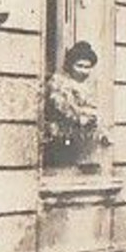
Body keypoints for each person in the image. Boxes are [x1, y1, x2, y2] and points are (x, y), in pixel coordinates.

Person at [44, 40, 106, 169]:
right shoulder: (60, 84)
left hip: (84, 142)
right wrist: (82, 115)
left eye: (87, 67)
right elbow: (65, 109)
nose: (84, 71)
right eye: (79, 66)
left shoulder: (89, 88)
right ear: (70, 65)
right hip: (62, 139)